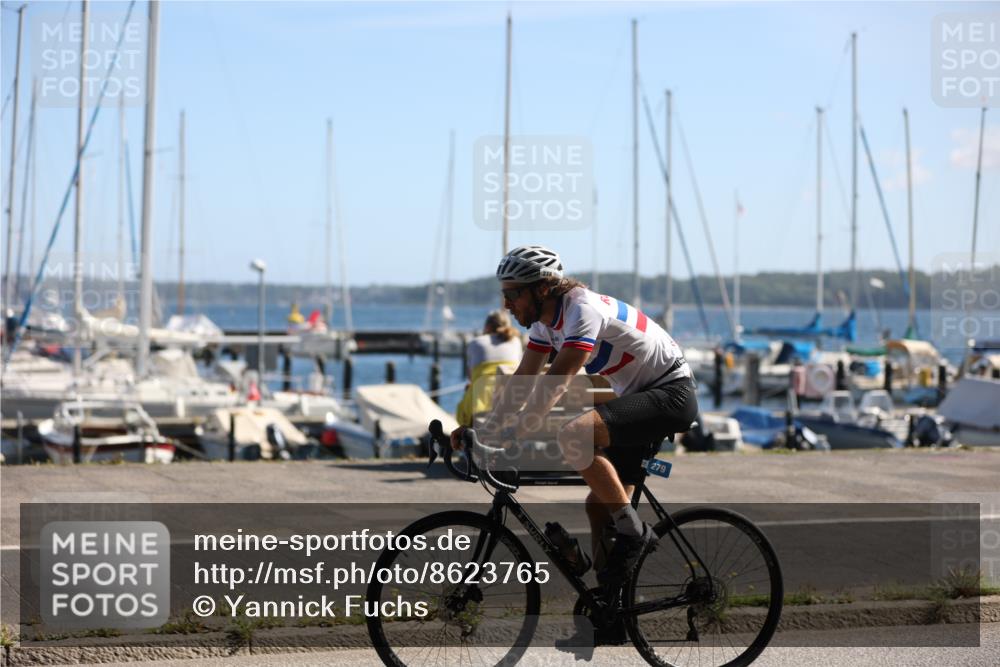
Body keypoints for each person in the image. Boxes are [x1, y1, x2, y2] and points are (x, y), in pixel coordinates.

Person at [451, 244, 699, 590]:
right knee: (599, 509)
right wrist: (485, 429)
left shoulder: (582, 309)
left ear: (542, 289)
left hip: (671, 393)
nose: (507, 305)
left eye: (513, 295)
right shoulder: (544, 323)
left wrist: (512, 435)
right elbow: (523, 380)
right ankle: (611, 610)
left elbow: (556, 382)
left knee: (574, 435)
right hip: (639, 396)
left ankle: (635, 532)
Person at [455, 310, 523, 427]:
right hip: (512, 399)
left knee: (463, 404)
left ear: (487, 326)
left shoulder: (476, 343)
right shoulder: (516, 342)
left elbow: (471, 377)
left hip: (482, 401)